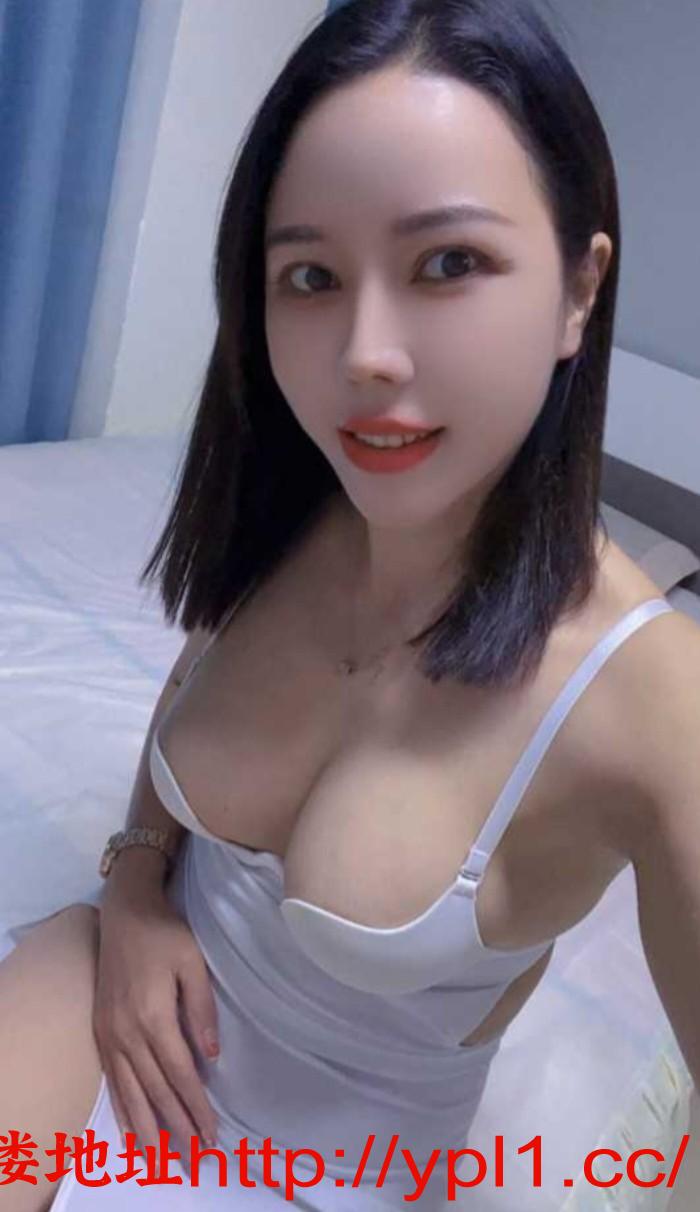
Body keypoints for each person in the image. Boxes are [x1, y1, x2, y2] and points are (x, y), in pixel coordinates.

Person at [1, 0, 699, 1208]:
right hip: (103, 993)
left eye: (449, 263)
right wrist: (137, 885)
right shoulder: (300, 503)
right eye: (311, 276)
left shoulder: (648, 696)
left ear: (579, 290)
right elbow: (194, 688)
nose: (364, 353)